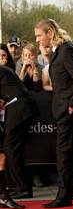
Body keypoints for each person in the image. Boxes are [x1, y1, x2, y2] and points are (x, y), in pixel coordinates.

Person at [34, 18, 73, 208]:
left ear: (49, 33)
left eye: (39, 35)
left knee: (64, 150)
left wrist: (72, 105)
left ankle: (64, 196)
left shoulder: (66, 50)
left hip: (70, 109)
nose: (37, 40)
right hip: (66, 107)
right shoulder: (60, 50)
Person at [0, 64, 39, 199]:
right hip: (23, 108)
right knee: (14, 149)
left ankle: (23, 188)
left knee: (11, 148)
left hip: (20, 109)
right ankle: (20, 186)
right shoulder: (4, 70)